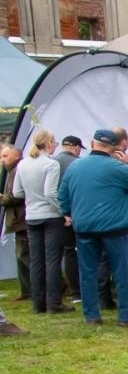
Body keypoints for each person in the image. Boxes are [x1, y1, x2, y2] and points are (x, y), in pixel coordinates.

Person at [57, 129, 128, 327]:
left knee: (88, 272)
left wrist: (69, 213)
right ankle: (126, 317)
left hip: (84, 228)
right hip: (114, 228)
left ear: (92, 143)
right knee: (122, 272)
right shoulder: (117, 168)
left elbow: (63, 196)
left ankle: (91, 316)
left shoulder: (75, 166)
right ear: (115, 148)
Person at [17, 128, 68, 314]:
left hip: (32, 216)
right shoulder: (51, 164)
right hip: (50, 216)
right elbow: (50, 193)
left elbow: (17, 192)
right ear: (48, 143)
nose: (56, 145)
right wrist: (63, 212)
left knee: (36, 261)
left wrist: (32, 199)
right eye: (54, 142)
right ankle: (54, 302)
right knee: (52, 260)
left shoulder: (23, 164)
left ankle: (38, 303)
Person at [54, 135, 84, 302]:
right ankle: (83, 289)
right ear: (76, 147)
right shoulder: (78, 163)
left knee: (66, 252)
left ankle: (73, 291)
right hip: (76, 214)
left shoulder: (51, 162)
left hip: (56, 214)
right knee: (80, 251)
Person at [0, 143, 27, 302]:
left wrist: (2, 198)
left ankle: (59, 285)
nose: (2, 160)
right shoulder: (12, 171)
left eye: (5, 156)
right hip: (18, 219)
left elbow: (16, 195)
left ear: (16, 155)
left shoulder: (18, 170)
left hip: (21, 218)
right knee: (21, 256)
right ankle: (27, 290)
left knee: (26, 255)